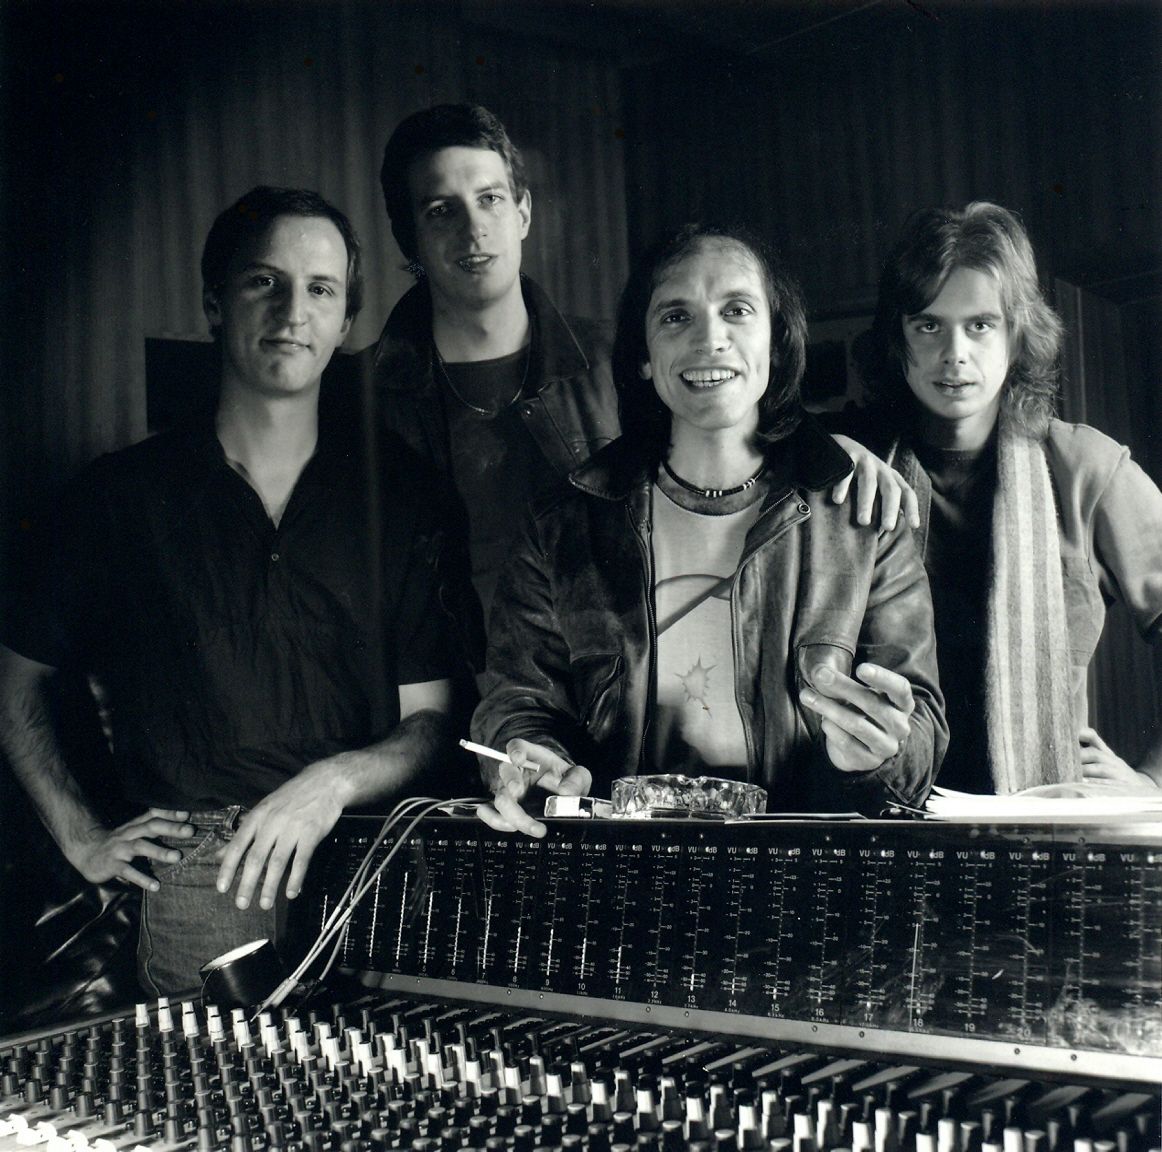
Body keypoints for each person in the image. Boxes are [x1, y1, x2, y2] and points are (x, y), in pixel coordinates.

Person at [0, 187, 460, 995]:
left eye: (320, 289)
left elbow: (431, 721)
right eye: (263, 282)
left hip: (373, 863)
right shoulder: (118, 497)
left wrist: (332, 783)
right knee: (219, 1082)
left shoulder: (404, 493)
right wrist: (81, 838)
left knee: (400, 1078)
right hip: (205, 879)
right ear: (215, 304)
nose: (293, 311)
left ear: (344, 323)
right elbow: (14, 679)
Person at [350, 103, 918, 639]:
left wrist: (831, 451)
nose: (473, 229)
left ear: (522, 212)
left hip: (614, 677)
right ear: (409, 236)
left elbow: (729, 435)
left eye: (490, 199)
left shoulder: (618, 356)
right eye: (441, 210)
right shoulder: (356, 394)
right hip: (437, 690)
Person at [471, 223, 947, 836]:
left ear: (777, 343)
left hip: (801, 870)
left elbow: (921, 729)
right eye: (676, 317)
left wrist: (878, 756)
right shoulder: (563, 522)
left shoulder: (860, 513)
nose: (710, 339)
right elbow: (517, 704)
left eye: (737, 310)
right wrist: (529, 763)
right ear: (644, 357)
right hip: (618, 866)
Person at [853, 201, 1162, 793]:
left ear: (1017, 335)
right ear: (897, 338)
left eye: (981, 325)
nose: (954, 353)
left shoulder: (1087, 469)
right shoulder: (853, 460)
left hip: (1048, 815)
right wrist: (833, 451)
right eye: (928, 325)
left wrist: (1151, 783)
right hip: (883, 810)